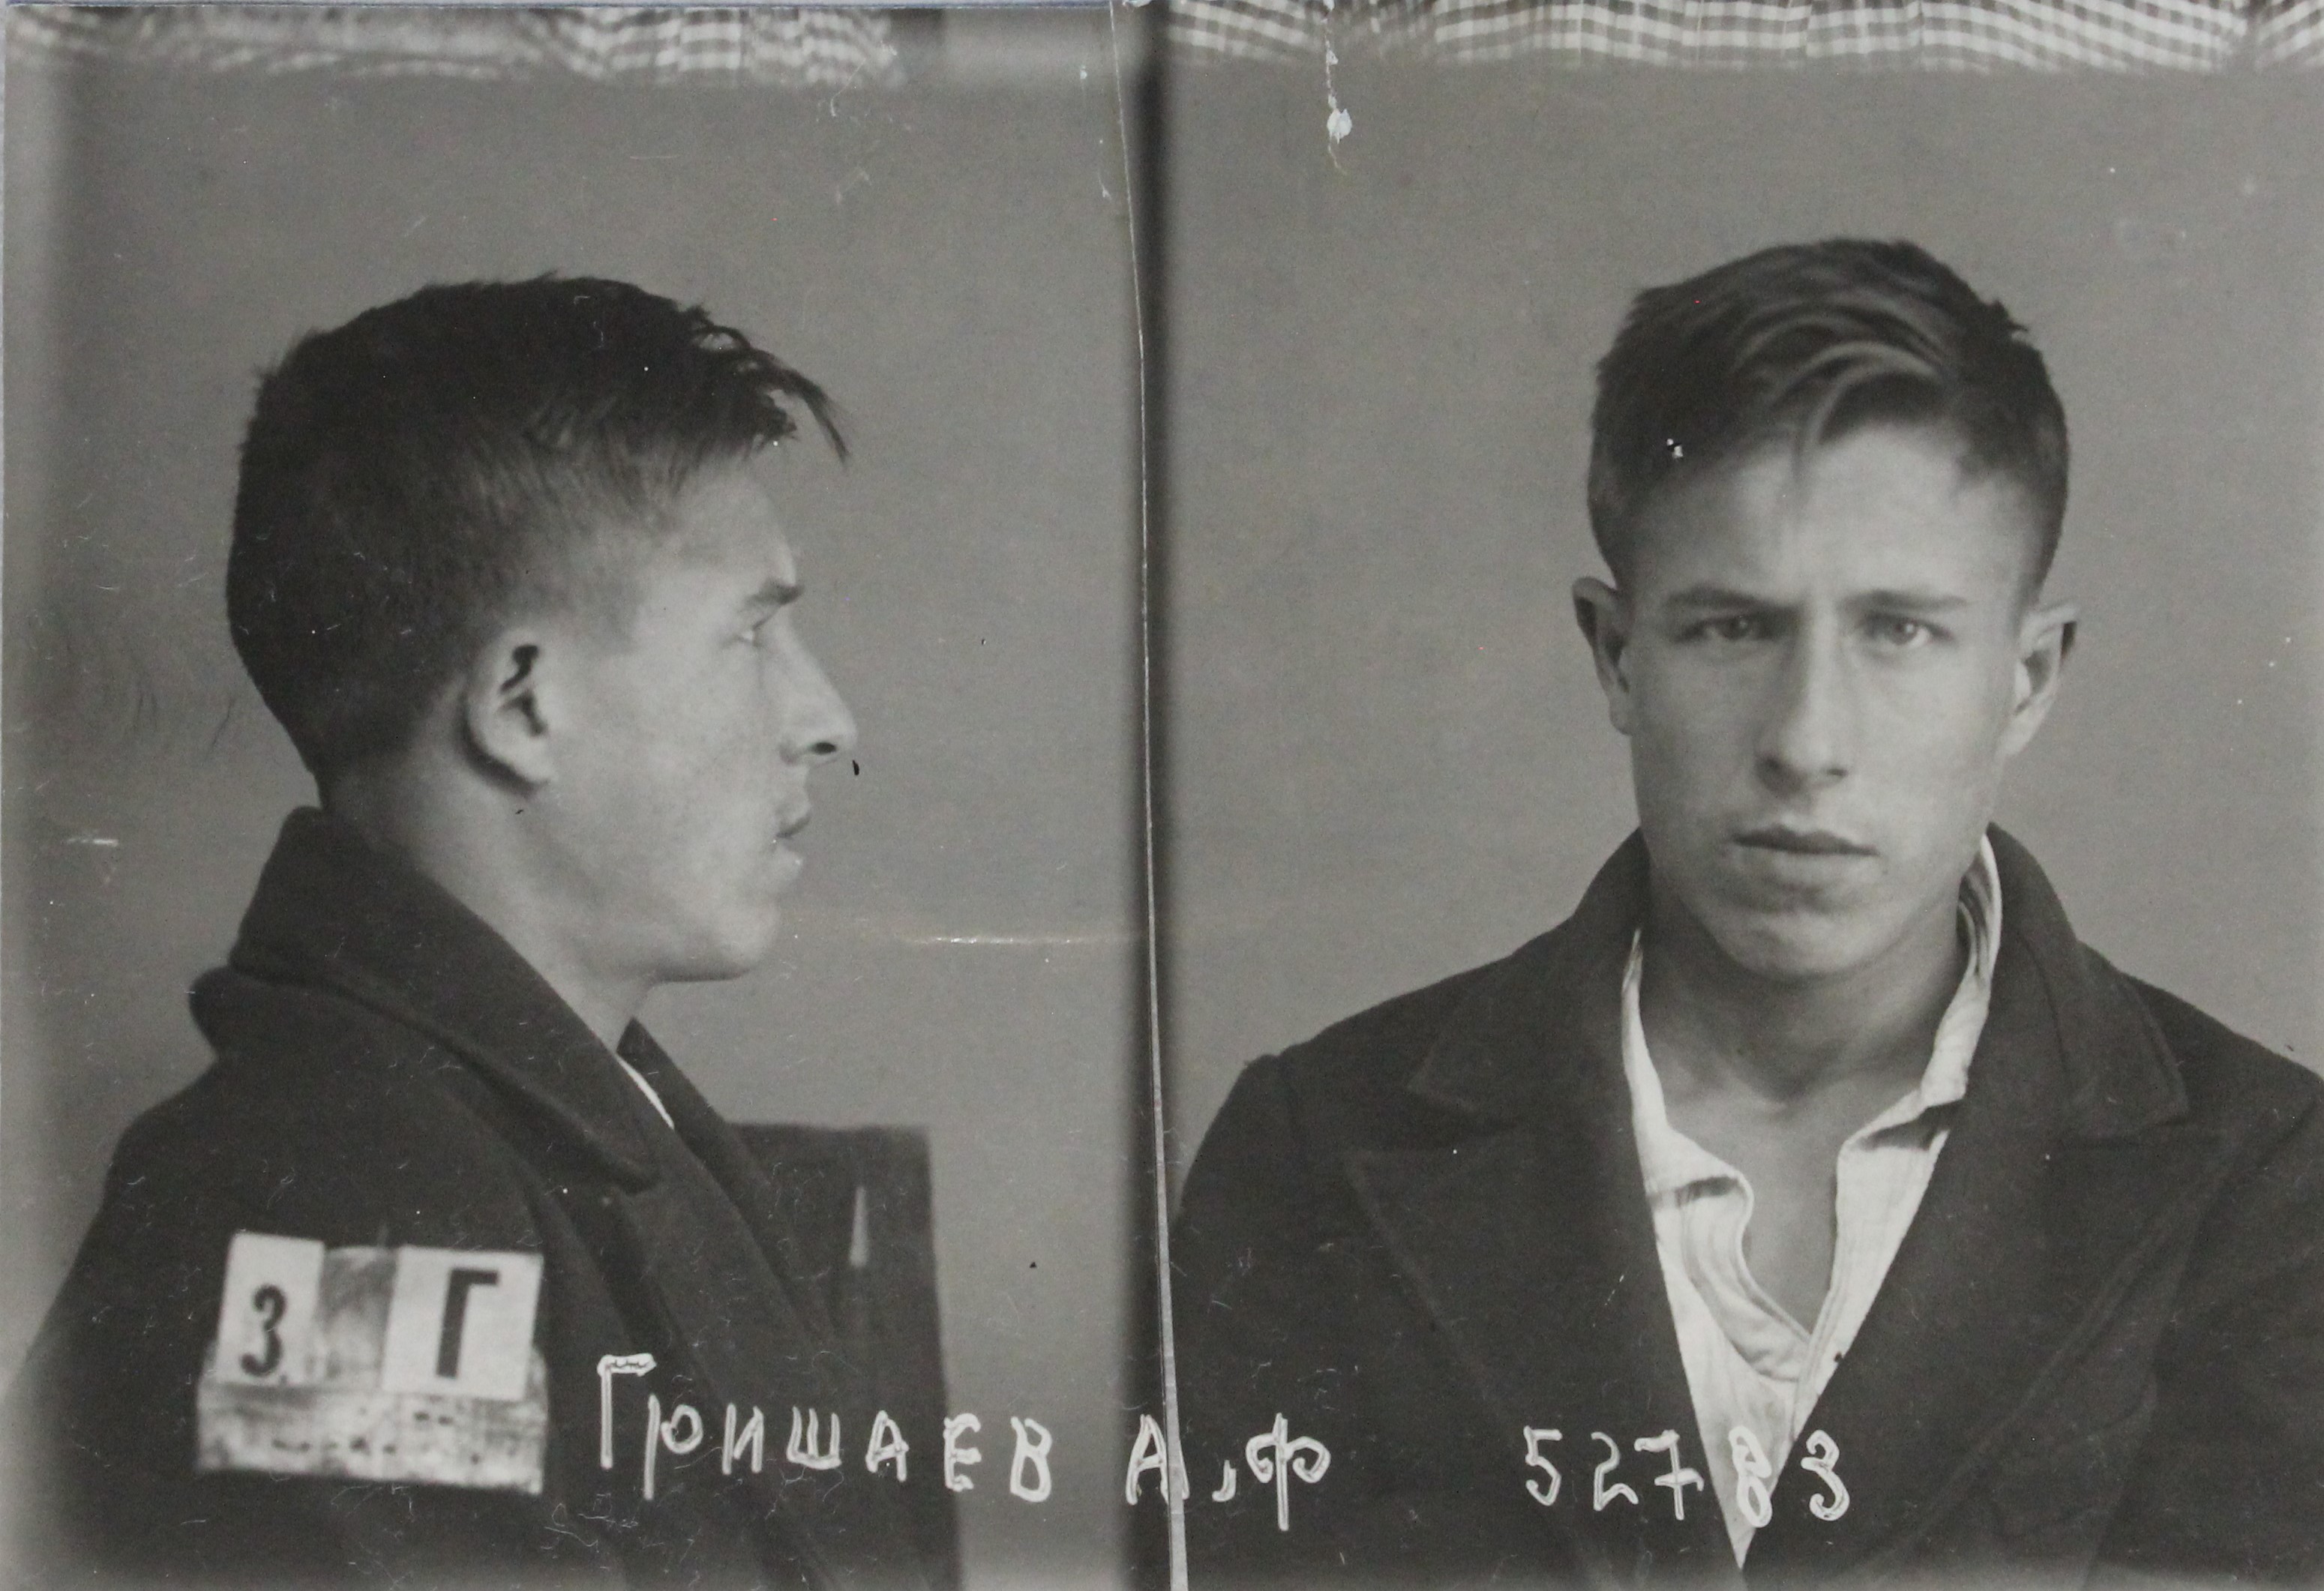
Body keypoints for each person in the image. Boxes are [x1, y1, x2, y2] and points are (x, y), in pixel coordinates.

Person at [1168, 239, 2324, 1586]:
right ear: (1617, 655)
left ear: (2028, 678)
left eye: (1900, 631)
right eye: (1732, 629)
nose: (1806, 741)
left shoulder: (2274, 1183)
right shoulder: (1314, 1151)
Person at [4, 278, 940, 1587]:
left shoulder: (565, 1119)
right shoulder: (339, 1215)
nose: (826, 717)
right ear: (522, 705)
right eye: (752, 633)